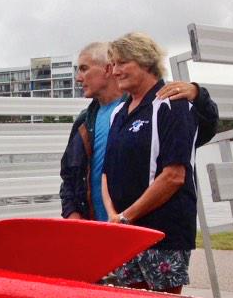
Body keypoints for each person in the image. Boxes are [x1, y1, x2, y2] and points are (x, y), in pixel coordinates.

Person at [60, 41, 218, 221]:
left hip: (144, 227)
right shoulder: (84, 121)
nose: (78, 78)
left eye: (84, 69)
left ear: (107, 69)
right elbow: (69, 175)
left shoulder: (154, 108)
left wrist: (198, 95)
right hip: (98, 229)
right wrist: (73, 214)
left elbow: (203, 130)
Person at [101, 33, 201, 294]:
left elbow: (174, 176)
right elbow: (106, 173)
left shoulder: (170, 104)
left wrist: (126, 217)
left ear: (145, 62)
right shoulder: (117, 114)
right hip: (125, 233)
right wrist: (114, 216)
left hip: (161, 232)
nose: (116, 71)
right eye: (113, 64)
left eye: (123, 63)